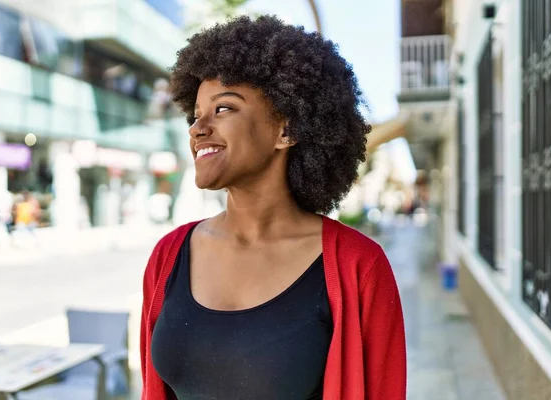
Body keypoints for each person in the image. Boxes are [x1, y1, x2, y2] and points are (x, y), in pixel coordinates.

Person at [140, 16, 406, 400]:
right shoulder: (169, 255)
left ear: (286, 131)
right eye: (195, 114)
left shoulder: (358, 266)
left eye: (224, 108)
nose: (198, 128)